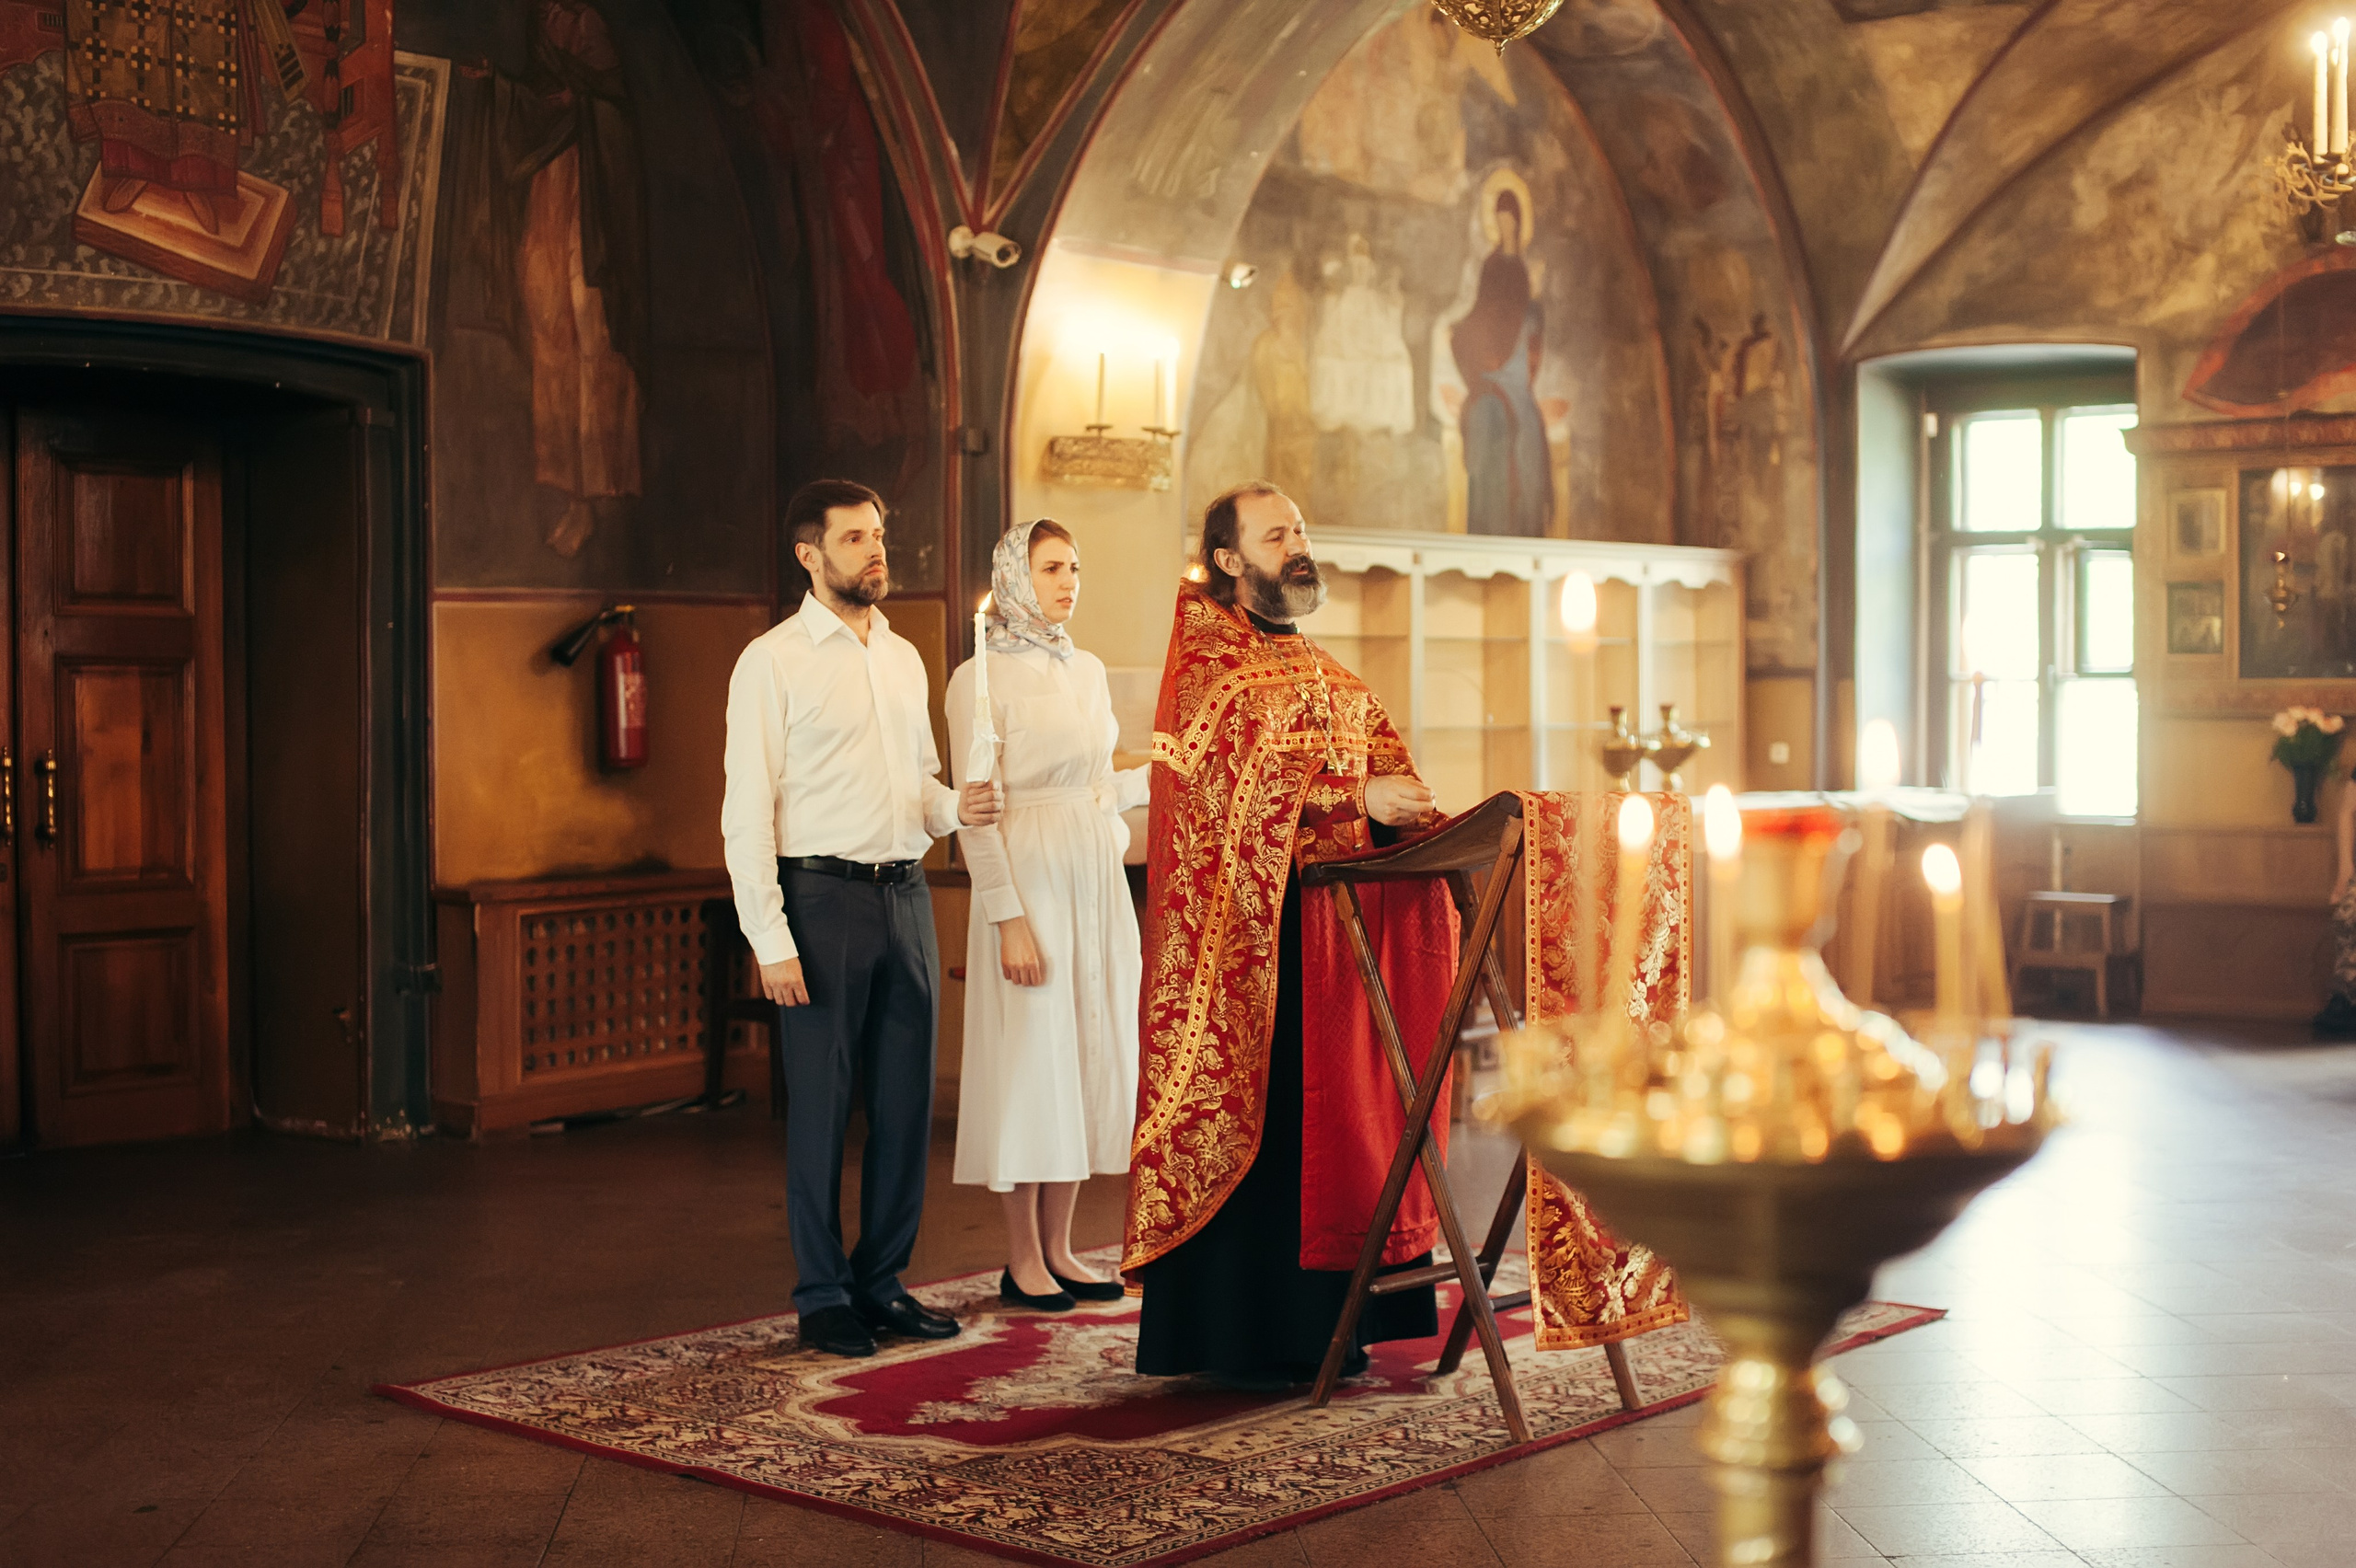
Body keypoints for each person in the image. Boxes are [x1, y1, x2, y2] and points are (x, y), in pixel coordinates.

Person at [1125, 480, 1445, 1387]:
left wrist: (1404, 808)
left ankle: (1336, 1330)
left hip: (1337, 955)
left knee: (1340, 1127)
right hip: (1249, 959)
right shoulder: (1207, 672)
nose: (1297, 544)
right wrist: (1354, 797)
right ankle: (1241, 1340)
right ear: (1229, 560)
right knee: (1277, 1137)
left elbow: (1387, 777)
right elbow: (1216, 796)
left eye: (1299, 529)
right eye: (1276, 535)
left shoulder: (1333, 678)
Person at [722, 478, 1004, 1359]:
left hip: (906, 896)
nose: (876, 550)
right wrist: (770, 939)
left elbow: (919, 786)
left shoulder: (903, 656)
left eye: (879, 534)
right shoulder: (770, 661)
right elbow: (745, 812)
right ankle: (822, 1296)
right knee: (821, 1108)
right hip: (820, 903)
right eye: (854, 538)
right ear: (809, 555)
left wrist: (958, 807)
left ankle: (881, 1283)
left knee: (904, 1105)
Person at [946, 521, 1149, 1310]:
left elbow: (1094, 785)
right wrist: (1008, 918)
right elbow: (977, 812)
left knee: (1084, 1052)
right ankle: (1022, 1257)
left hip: (1089, 877)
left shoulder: (1085, 669)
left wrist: (1158, 774)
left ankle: (1063, 1248)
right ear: (1015, 578)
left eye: (1076, 568)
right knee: (1032, 1061)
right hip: (1027, 877)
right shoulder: (979, 677)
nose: (1070, 582)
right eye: (1053, 568)